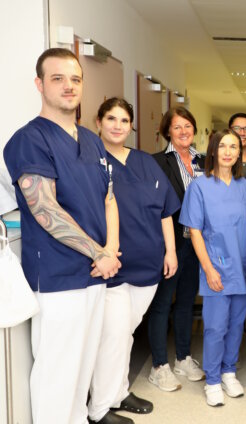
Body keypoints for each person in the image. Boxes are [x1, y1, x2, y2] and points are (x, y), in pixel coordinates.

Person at [3, 48, 121, 424]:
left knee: (82, 368)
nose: (68, 86)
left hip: (96, 272)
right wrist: (98, 253)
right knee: (58, 373)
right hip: (57, 274)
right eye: (57, 78)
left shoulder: (91, 139)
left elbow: (109, 198)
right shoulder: (30, 139)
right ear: (39, 84)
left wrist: (111, 251)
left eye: (75, 79)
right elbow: (45, 209)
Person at [87, 98, 180, 424]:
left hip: (148, 265)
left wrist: (170, 251)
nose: (117, 125)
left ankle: (118, 392)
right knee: (112, 336)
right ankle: (99, 409)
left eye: (124, 120)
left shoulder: (145, 161)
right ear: (98, 121)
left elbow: (165, 211)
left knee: (125, 334)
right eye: (111, 118)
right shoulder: (88, 162)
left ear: (131, 126)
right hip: (111, 268)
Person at [180, 129, 246, 407]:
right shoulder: (200, 187)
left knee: (236, 324)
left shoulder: (245, 187)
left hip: (242, 268)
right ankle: (212, 379)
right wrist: (208, 269)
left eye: (233, 146)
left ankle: (228, 371)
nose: (228, 151)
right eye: (222, 146)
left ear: (239, 153)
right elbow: (195, 231)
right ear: (213, 150)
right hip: (217, 268)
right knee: (215, 328)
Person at [148, 106, 206, 391]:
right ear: (167, 131)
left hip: (197, 245)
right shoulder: (156, 162)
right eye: (177, 127)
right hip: (171, 243)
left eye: (188, 126)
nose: (183, 131)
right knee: (162, 304)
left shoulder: (204, 161)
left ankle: (183, 357)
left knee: (185, 302)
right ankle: (159, 365)